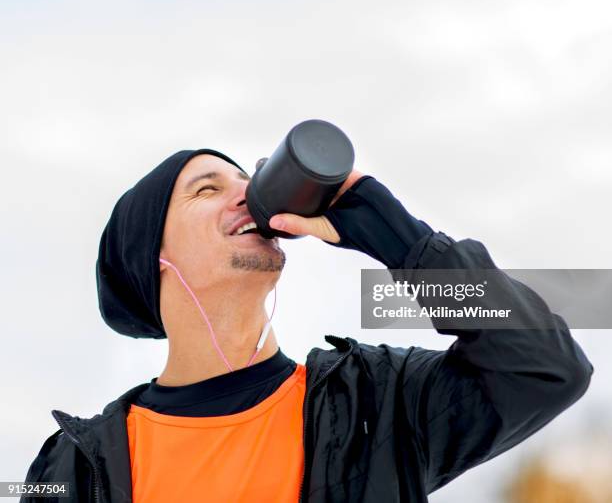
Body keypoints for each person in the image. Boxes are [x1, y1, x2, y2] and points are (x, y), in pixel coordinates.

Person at [21, 147, 593, 503]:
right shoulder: (74, 466)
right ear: (152, 258)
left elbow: (546, 366)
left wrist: (405, 242)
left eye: (248, 180)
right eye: (207, 189)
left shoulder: (374, 404)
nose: (247, 194)